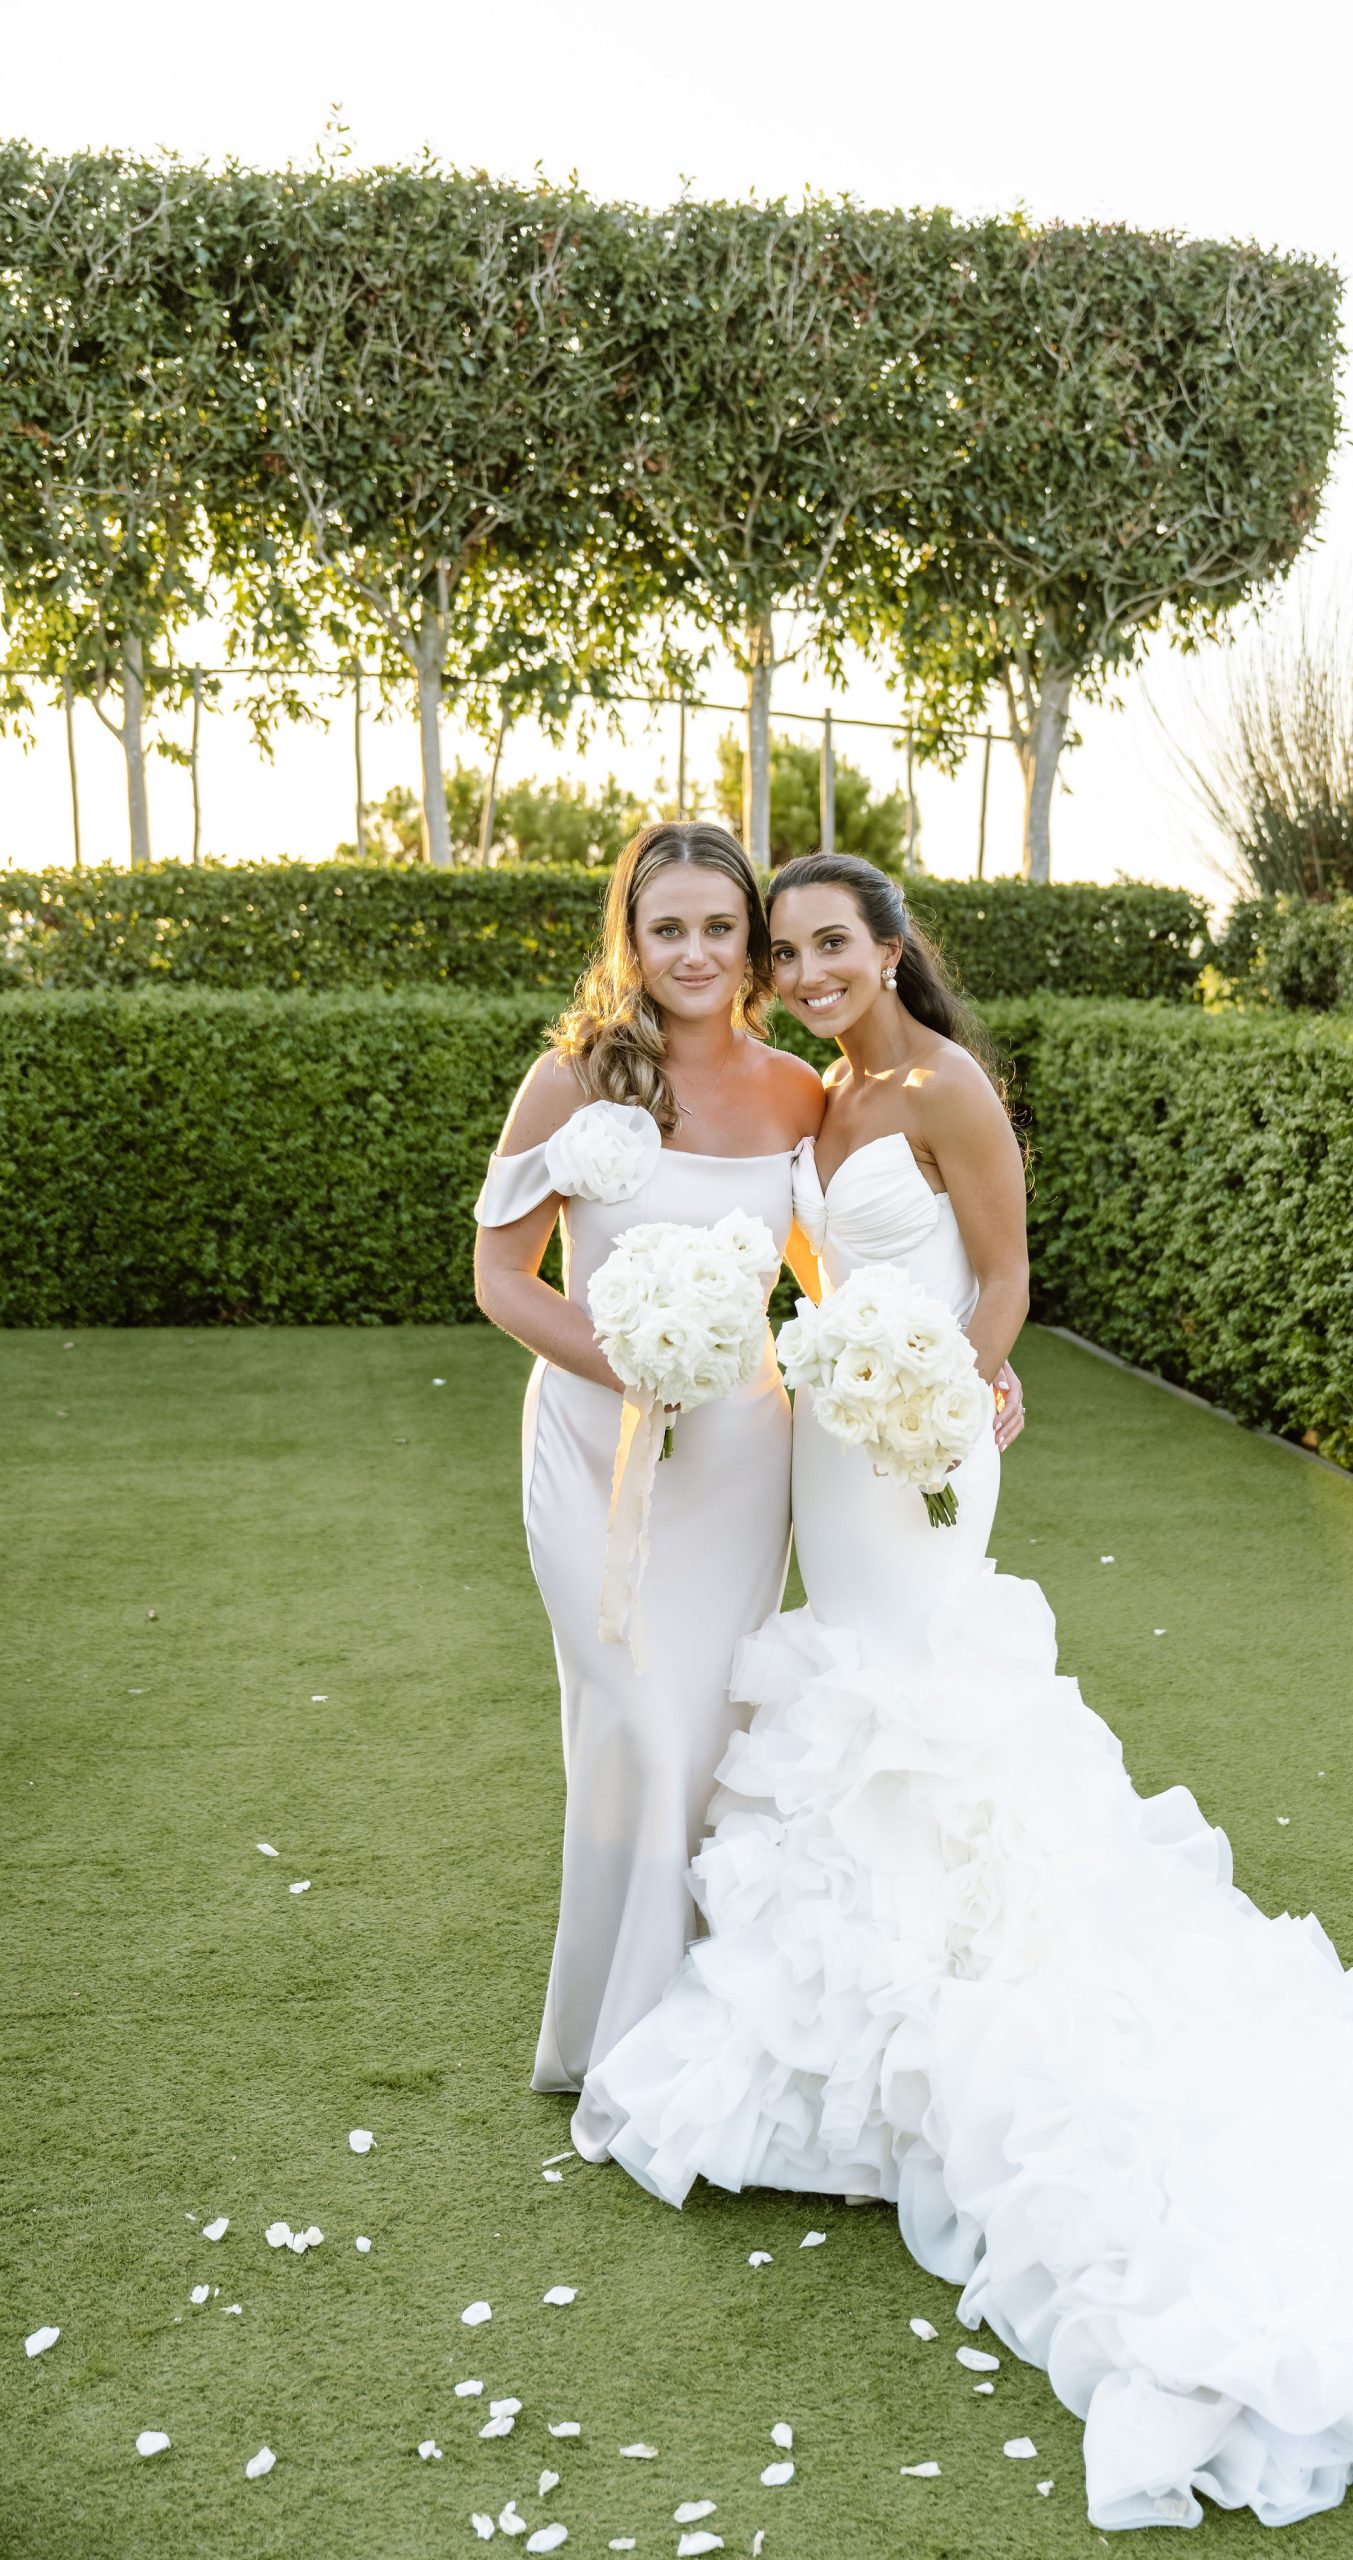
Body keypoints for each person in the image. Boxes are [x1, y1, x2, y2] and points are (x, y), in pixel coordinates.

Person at [580, 852, 1353, 2536]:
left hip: (916, 1444)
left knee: (926, 1701)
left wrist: (965, 1388)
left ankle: (984, 1990)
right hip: (829, 1443)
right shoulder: (836, 1094)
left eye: (828, 944)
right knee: (858, 1698)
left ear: (894, 947)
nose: (803, 971)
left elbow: (1003, 1277)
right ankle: (883, 2009)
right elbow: (815, 1263)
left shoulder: (944, 1086)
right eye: (785, 952)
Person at [471, 820, 822, 2159]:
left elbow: (836, 1268)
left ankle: (704, 2012)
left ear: (752, 945)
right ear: (631, 937)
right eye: (664, 927)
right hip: (590, 1441)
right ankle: (612, 2032)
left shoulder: (798, 1095)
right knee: (631, 1721)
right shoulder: (569, 1084)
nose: (691, 952)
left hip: (739, 1459)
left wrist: (950, 1362)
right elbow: (503, 1279)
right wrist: (628, 1367)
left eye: (716, 929)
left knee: (711, 1726)